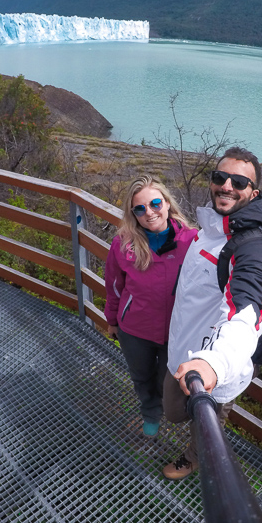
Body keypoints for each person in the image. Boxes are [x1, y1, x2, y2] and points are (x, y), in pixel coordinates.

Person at [162, 147, 262, 479]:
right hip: (183, 352)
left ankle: (195, 456)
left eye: (239, 182)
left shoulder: (254, 250)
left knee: (209, 418)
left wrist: (214, 363)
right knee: (173, 411)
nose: (227, 186)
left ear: (253, 193)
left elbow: (246, 316)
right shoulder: (211, 229)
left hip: (216, 369)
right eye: (220, 177)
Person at [105, 176, 197, 437]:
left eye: (155, 203)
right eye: (140, 208)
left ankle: (167, 413)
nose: (149, 212)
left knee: (166, 381)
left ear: (167, 203)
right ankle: (150, 414)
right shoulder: (123, 244)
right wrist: (112, 320)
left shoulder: (192, 241)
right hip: (135, 330)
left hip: (177, 333)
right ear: (133, 214)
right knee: (142, 378)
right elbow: (113, 286)